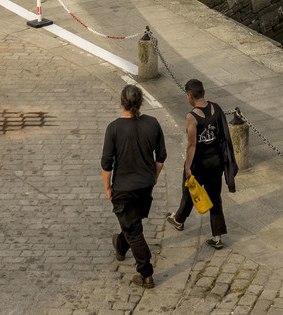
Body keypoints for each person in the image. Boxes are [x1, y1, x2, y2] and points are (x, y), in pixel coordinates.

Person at [101, 84, 166, 288]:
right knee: (133, 224)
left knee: (134, 231)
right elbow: (161, 157)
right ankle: (120, 245)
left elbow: (106, 163)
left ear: (121, 102)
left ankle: (146, 273)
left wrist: (107, 188)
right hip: (145, 186)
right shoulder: (153, 123)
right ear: (141, 102)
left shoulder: (114, 128)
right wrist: (154, 177)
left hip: (124, 188)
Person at [165, 78, 237, 248]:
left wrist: (188, 167)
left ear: (190, 96)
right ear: (204, 92)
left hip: (199, 164)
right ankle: (217, 237)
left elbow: (192, 145)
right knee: (215, 198)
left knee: (188, 192)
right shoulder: (216, 108)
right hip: (216, 162)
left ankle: (179, 220)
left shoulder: (191, 116)